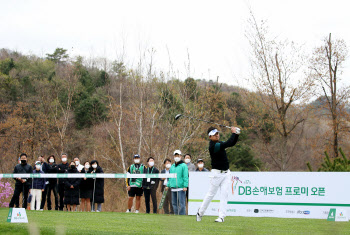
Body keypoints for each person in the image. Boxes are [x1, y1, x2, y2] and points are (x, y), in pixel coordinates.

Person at [196, 126, 240, 223]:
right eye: (214, 134)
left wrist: (236, 134)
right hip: (216, 174)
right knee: (211, 194)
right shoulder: (213, 146)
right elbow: (228, 143)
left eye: (217, 133)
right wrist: (233, 133)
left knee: (224, 195)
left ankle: (221, 217)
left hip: (226, 173)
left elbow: (231, 143)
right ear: (210, 137)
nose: (217, 135)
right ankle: (200, 212)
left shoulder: (219, 143)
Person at [166, 150, 188, 215]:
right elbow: (170, 177)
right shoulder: (172, 166)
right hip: (173, 188)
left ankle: (182, 216)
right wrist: (168, 185)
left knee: (181, 203)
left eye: (178, 155)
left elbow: (185, 176)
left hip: (181, 188)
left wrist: (185, 186)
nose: (176, 157)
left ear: (180, 156)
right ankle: (176, 215)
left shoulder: (183, 165)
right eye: (175, 156)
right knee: (174, 203)